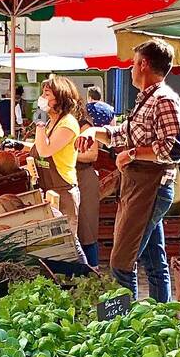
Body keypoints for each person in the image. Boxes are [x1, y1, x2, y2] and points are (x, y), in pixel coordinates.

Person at [96, 40, 180, 300]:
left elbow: (176, 148)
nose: (131, 69)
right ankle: (161, 318)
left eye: (134, 63)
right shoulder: (145, 100)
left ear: (144, 64)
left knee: (121, 263)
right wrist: (93, 133)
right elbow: (121, 133)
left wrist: (133, 153)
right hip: (138, 189)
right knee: (154, 262)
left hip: (150, 190)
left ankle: (120, 324)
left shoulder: (164, 100)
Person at [30, 77, 83, 224]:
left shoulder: (68, 123)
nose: (41, 98)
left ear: (60, 98)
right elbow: (38, 146)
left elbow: (45, 151)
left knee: (68, 241)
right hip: (47, 189)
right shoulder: (50, 122)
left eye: (46, 94)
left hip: (63, 190)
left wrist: (39, 123)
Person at [75, 98, 103, 268]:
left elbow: (93, 155)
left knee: (87, 232)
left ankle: (93, 271)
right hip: (69, 180)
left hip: (84, 180)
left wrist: (66, 154)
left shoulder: (84, 127)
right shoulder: (57, 124)